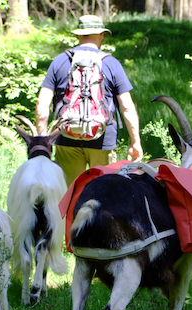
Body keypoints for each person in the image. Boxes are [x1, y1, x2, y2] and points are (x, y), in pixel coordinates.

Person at [36, 14, 143, 186]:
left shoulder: (60, 61)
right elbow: (127, 107)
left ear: (77, 35)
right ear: (101, 35)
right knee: (104, 196)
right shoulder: (112, 63)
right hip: (102, 140)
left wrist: (43, 139)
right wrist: (135, 142)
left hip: (66, 137)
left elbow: (42, 104)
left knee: (70, 196)